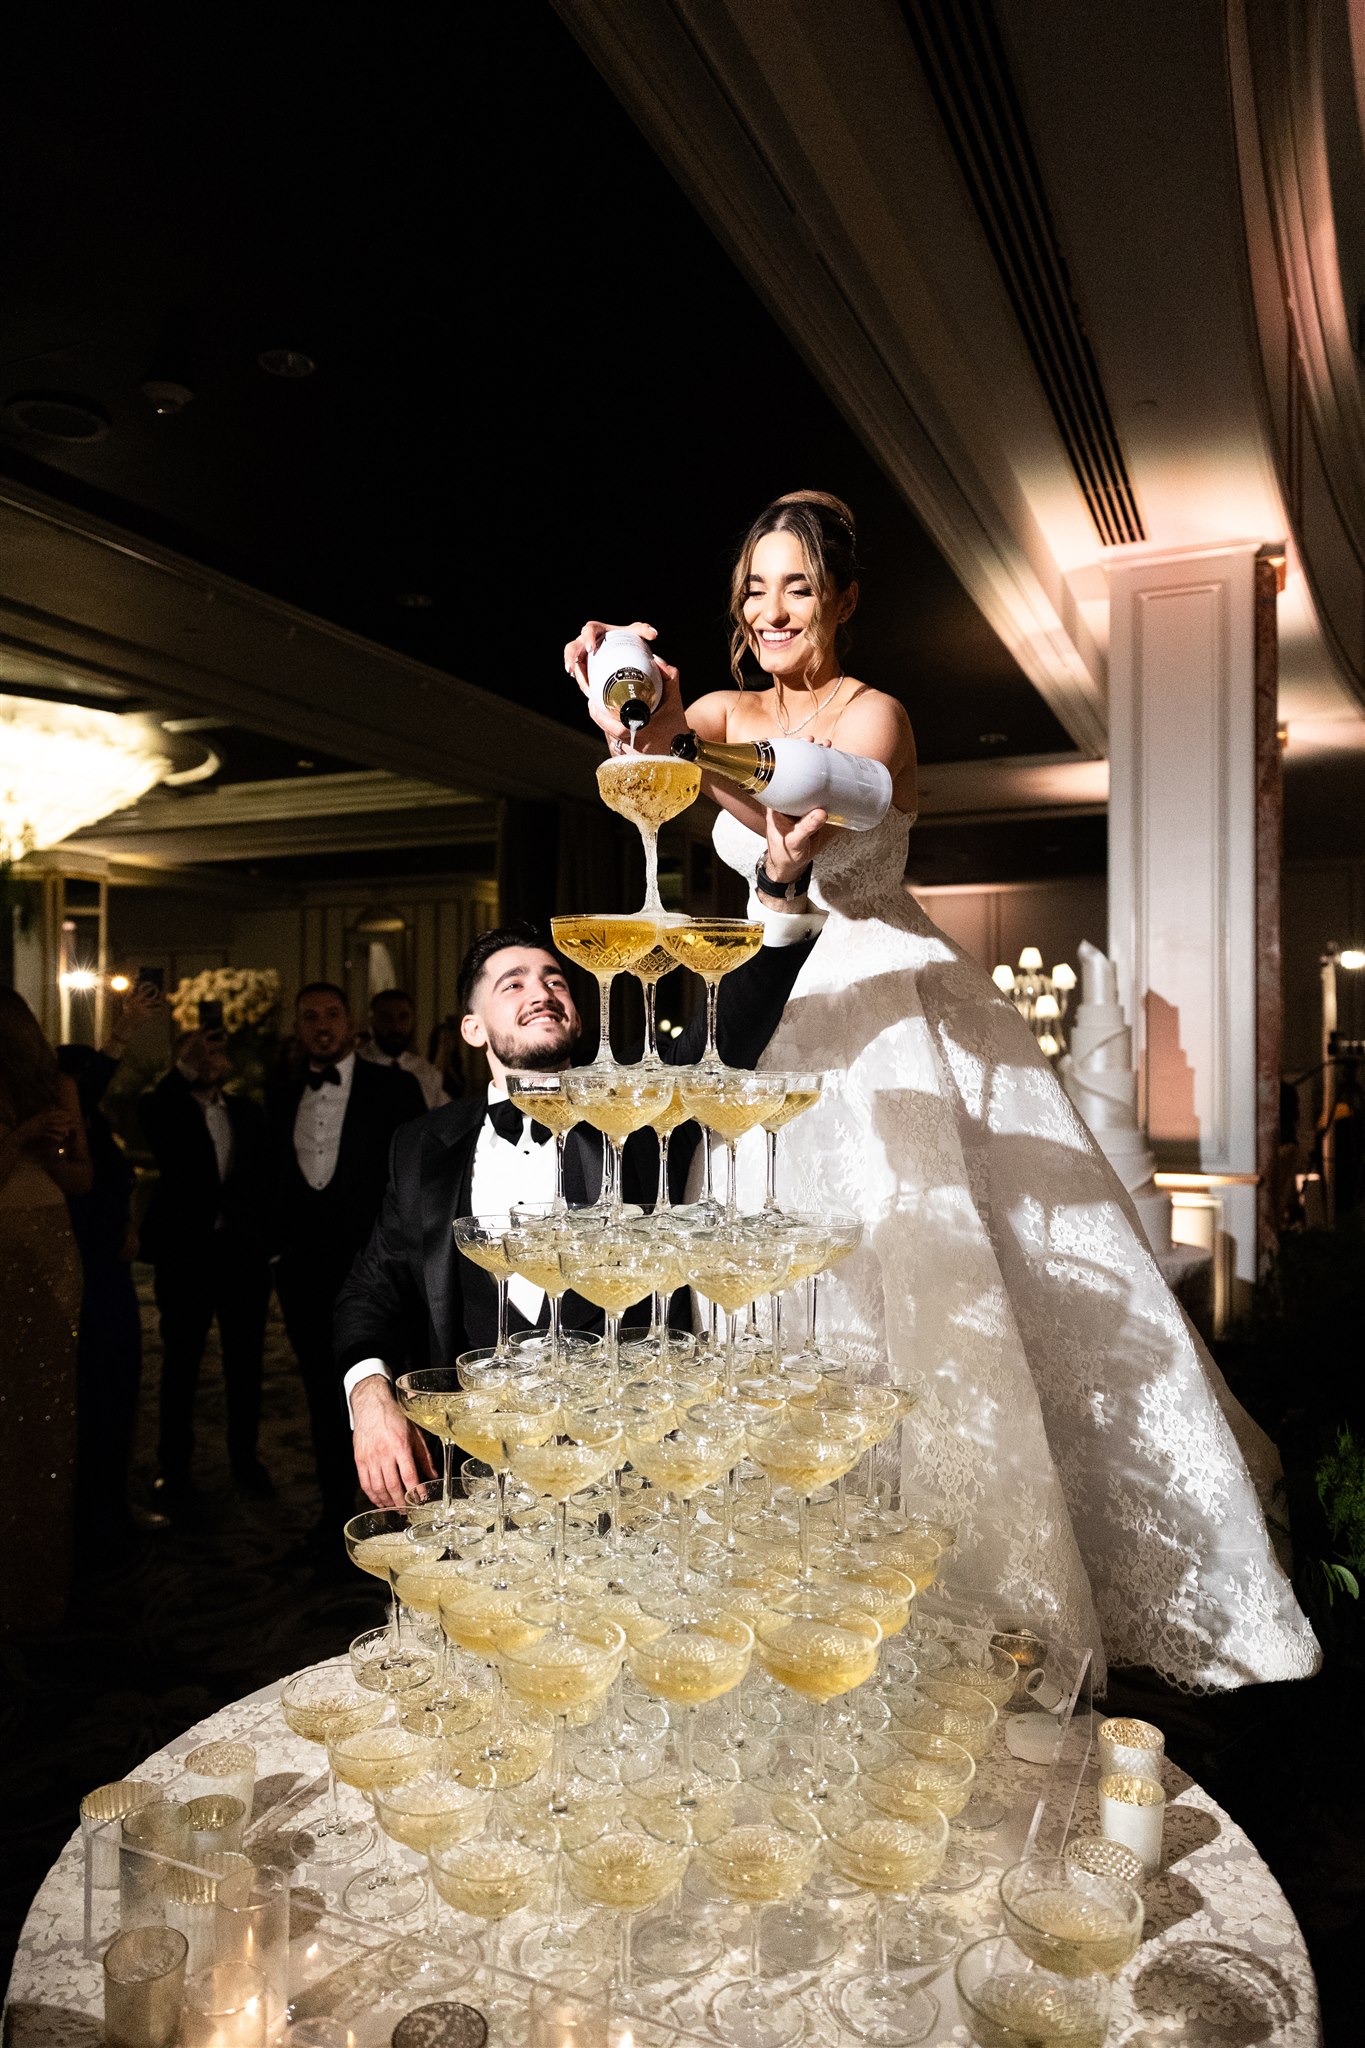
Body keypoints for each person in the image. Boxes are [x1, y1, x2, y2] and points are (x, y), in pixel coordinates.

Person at [561, 487, 1320, 1696]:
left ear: (845, 600)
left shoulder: (878, 714)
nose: (770, 610)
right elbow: (640, 728)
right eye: (754, 588)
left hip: (892, 995)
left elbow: (821, 791)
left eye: (798, 586)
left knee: (948, 1277)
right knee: (788, 1287)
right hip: (776, 1005)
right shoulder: (713, 701)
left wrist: (673, 745)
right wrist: (614, 671)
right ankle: (795, 1576)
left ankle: (972, 1588)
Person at [339, 911, 820, 1509]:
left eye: (556, 980)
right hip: (483, 1478)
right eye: (512, 984)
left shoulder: (639, 1110)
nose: (541, 992)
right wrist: (368, 1396)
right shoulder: (421, 1147)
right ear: (472, 1028)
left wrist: (779, 900)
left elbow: (726, 1028)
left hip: (636, 1472)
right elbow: (370, 1288)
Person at [270, 981, 425, 1536]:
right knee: (319, 1394)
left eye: (331, 1013)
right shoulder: (281, 1091)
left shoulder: (395, 1087)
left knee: (389, 1394)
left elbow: (414, 1182)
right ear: (297, 1027)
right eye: (309, 1016)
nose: (321, 1025)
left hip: (376, 1274)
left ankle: (405, 1518)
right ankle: (335, 1515)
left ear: (351, 1020)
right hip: (303, 1275)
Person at [140, 1023, 274, 1505]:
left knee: (246, 1364)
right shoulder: (167, 1107)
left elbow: (262, 1180)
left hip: (241, 1256)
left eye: (218, 1050)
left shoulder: (246, 1112)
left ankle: (246, 1460)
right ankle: (172, 1467)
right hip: (185, 1253)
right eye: (201, 1051)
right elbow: (153, 1115)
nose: (211, 1057)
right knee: (181, 1362)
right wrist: (183, 1064)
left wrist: (265, 1240)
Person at [0, 989, 92, 1633]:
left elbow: (83, 1181)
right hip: (2, 1251)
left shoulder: (57, 1086)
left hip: (52, 1249)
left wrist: (54, 1148)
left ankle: (41, 1587)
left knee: (47, 1418)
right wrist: (21, 1138)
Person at [59, 978, 163, 1540]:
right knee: (92, 1394)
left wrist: (126, 1221)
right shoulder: (53, 1136)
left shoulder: (92, 1133)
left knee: (122, 1389)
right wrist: (121, 1033)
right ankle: (93, 1514)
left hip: (112, 1272)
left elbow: (115, 1182)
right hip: (82, 1275)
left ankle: (113, 1503)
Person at [359, 987, 449, 1109]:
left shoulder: (426, 1071)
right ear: (373, 1021)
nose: (396, 1027)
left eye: (403, 1017)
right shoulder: (357, 1065)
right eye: (386, 1018)